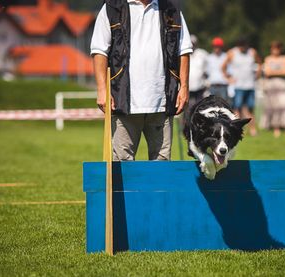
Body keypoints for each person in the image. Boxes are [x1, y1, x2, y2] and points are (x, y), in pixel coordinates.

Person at [90, 0, 192, 161]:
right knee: (122, 164)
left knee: (162, 164)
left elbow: (184, 50)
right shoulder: (112, 7)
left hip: (163, 101)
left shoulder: (171, 8)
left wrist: (184, 87)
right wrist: (102, 90)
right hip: (123, 101)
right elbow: (99, 50)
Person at [222, 37, 261, 136]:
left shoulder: (252, 52)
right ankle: (237, 129)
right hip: (238, 86)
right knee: (237, 108)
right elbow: (223, 67)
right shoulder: (232, 53)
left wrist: (257, 75)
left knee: (250, 109)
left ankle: (252, 129)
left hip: (250, 85)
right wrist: (228, 78)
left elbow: (260, 63)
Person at [260, 41, 285, 138]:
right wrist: (278, 71)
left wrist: (273, 72)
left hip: (282, 85)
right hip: (270, 85)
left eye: (277, 48)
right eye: (273, 48)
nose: (275, 50)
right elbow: (267, 73)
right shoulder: (268, 59)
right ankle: (276, 128)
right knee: (273, 108)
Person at [188, 35, 208, 109]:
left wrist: (207, 81)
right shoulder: (185, 54)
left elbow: (207, 68)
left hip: (200, 85)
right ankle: (185, 120)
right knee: (188, 107)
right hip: (188, 86)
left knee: (199, 106)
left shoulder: (202, 53)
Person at [206, 37, 229, 101]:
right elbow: (207, 72)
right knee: (212, 105)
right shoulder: (209, 58)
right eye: (215, 46)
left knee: (224, 105)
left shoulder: (226, 57)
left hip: (223, 85)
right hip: (213, 85)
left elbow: (230, 71)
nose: (217, 48)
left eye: (219, 46)